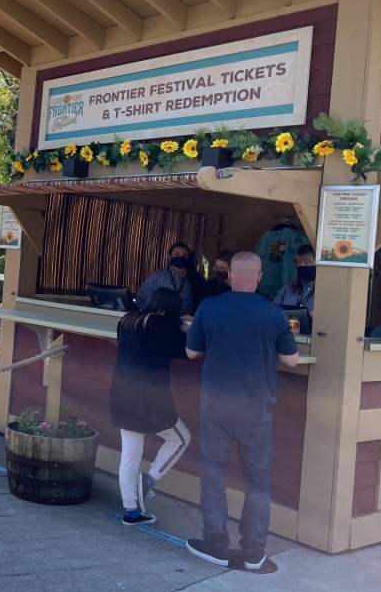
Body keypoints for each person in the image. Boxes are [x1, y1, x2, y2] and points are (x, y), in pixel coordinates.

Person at [184, 251, 300, 572]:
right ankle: (253, 554)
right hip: (256, 411)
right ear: (260, 278)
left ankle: (216, 545)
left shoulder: (209, 306)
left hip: (215, 408)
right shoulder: (274, 313)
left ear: (230, 275)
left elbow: (192, 352)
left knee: (213, 479)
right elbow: (292, 361)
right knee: (258, 484)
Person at [112, 287, 190, 526]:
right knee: (181, 439)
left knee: (130, 455)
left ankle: (131, 512)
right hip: (151, 399)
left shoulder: (127, 321)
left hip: (122, 394)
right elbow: (188, 351)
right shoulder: (166, 327)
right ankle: (149, 480)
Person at [136, 242, 201, 316]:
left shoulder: (196, 278)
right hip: (161, 319)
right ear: (170, 256)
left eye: (184, 255)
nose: (181, 257)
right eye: (177, 255)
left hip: (186, 320)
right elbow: (141, 298)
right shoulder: (157, 277)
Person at [273, 244, 316, 315]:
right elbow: (273, 310)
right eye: (299, 264)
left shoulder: (324, 292)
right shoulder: (288, 288)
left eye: (306, 263)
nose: (302, 266)